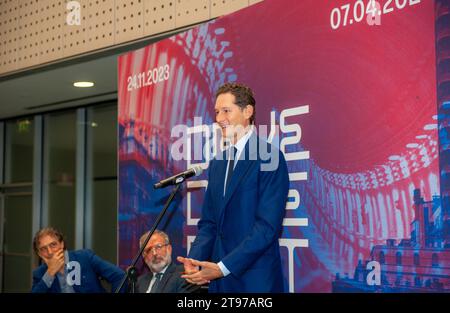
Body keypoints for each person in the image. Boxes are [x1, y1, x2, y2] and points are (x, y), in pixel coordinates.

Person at [177, 82, 289, 292]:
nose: (219, 119)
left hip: (255, 281)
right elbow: (209, 223)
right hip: (219, 282)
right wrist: (195, 260)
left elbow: (266, 228)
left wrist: (222, 268)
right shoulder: (218, 163)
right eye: (217, 112)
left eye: (226, 111)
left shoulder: (270, 157)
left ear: (247, 111)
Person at [31, 227, 126, 293]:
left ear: (62, 244)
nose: (50, 252)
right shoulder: (40, 273)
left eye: (53, 245)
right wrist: (50, 272)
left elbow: (120, 276)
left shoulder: (85, 257)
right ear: (39, 254)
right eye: (43, 249)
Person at [136, 229, 200, 293]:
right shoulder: (139, 282)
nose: (154, 253)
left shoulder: (184, 274)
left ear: (169, 249)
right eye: (149, 250)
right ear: (144, 256)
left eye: (158, 247)